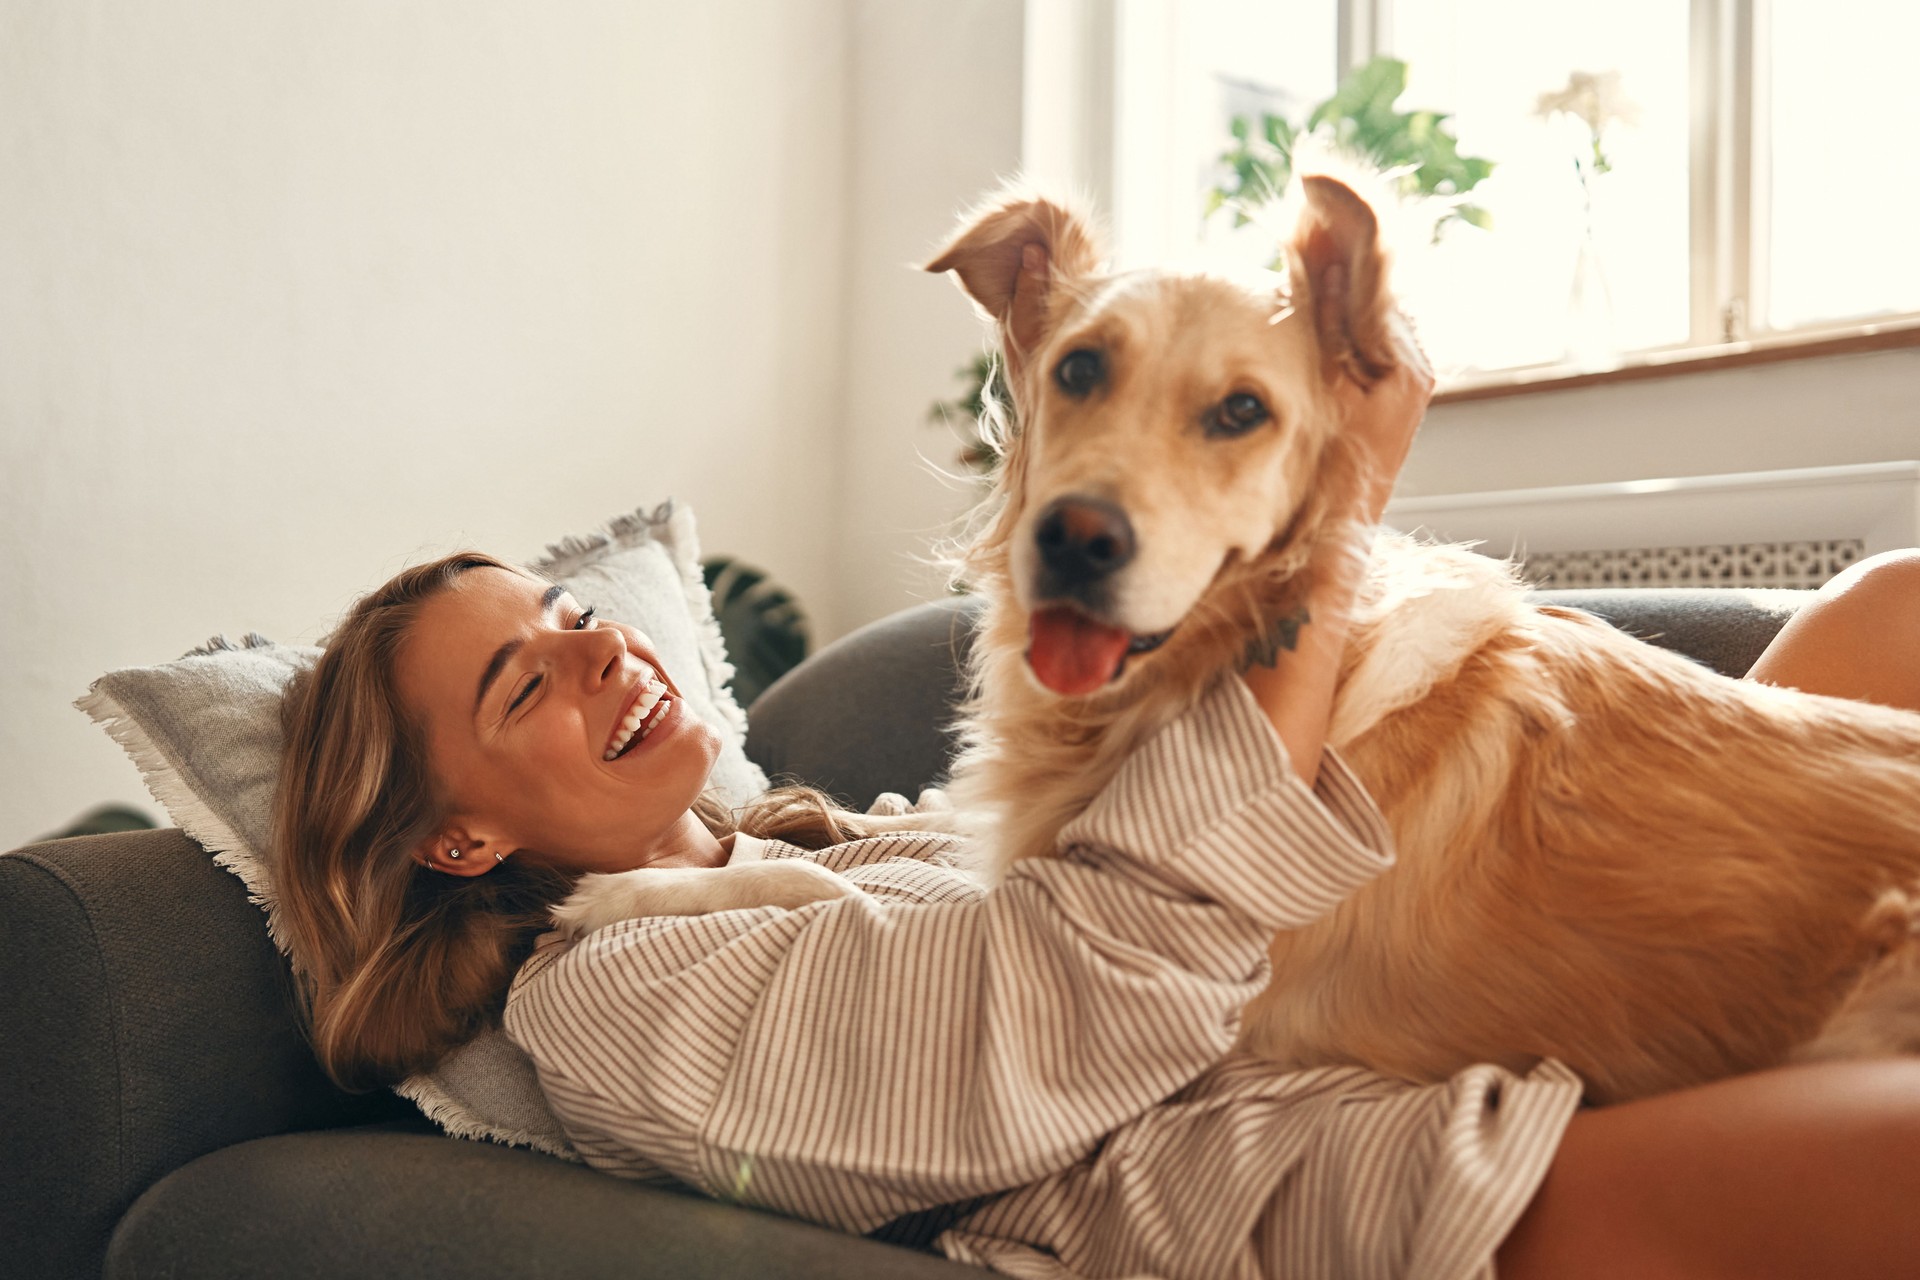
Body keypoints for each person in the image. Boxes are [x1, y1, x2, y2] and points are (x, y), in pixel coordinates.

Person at [273, 338, 1920, 1279]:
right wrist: (1326, 533)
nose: (599, 653)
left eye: (573, 619)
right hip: (1373, 1167)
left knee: (1889, 603)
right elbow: (1043, 1012)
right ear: (459, 840)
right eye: (522, 686)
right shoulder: (611, 1004)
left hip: (1415, 945)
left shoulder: (840, 838)